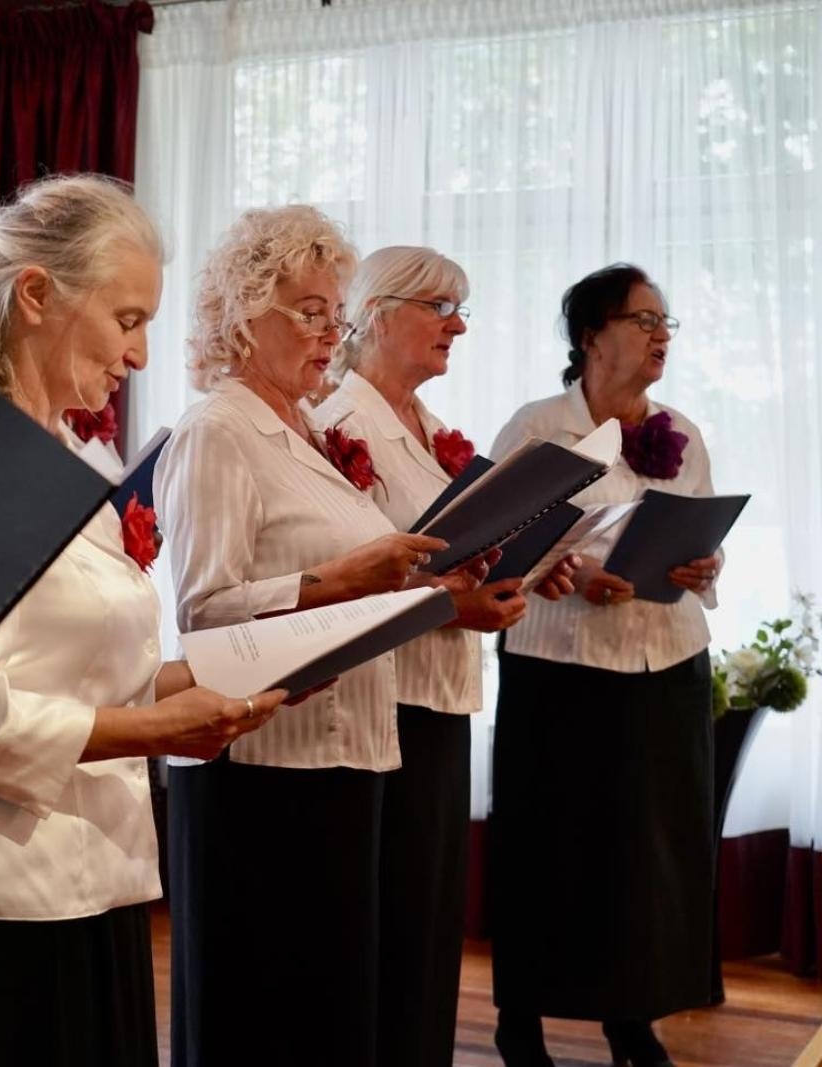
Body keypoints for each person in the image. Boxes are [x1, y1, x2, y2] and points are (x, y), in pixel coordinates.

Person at [0, 173, 289, 1067]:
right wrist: (154, 725)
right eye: (128, 319)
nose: (140, 356)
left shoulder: (75, 451)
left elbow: (91, 662)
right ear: (35, 296)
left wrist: (232, 674)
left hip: (94, 875)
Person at [156, 206, 486, 1067]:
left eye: (333, 313)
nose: (327, 333)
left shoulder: (308, 432)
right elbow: (202, 614)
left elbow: (342, 586)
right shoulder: (218, 430)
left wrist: (418, 589)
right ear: (240, 314)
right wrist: (339, 580)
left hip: (348, 758)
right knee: (265, 1019)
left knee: (334, 1018)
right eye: (307, 311)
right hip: (262, 773)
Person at [313, 245, 577, 1067]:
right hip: (382, 702)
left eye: (462, 308)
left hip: (441, 696)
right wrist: (452, 600)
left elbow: (448, 551)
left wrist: (528, 558)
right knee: (390, 931)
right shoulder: (335, 427)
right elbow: (342, 580)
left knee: (430, 929)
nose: (458, 325)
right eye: (440, 307)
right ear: (378, 314)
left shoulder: (430, 434)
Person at [489, 264, 720, 1067]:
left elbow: (702, 539)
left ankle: (634, 1014)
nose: (660, 336)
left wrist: (701, 565)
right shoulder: (536, 428)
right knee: (550, 845)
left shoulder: (681, 430)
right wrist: (578, 574)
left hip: (667, 662)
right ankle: (520, 1016)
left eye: (667, 323)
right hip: (562, 665)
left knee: (651, 852)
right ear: (591, 334)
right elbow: (498, 545)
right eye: (643, 319)